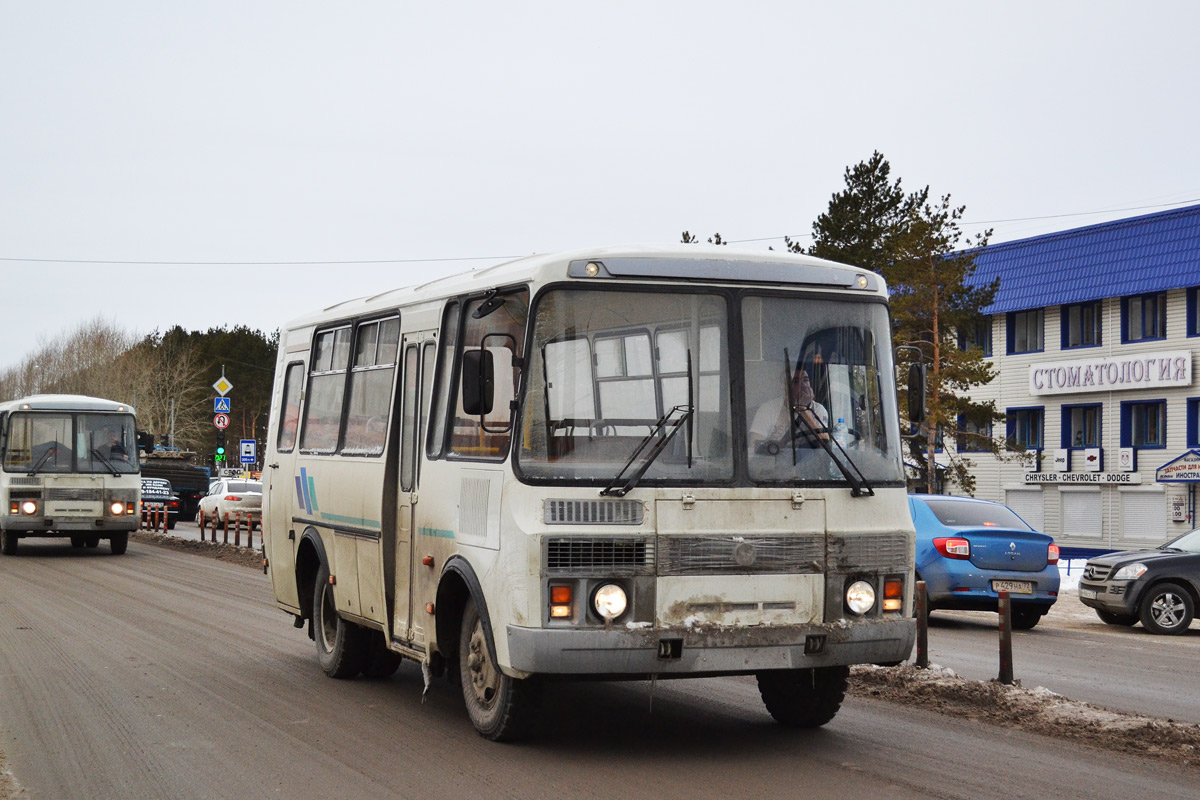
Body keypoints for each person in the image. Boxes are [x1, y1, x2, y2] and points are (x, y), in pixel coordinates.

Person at [749, 366, 829, 454]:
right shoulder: (767, 409)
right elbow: (755, 447)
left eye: (806, 380)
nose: (803, 385)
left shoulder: (817, 409)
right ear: (784, 386)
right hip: (773, 462)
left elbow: (823, 444)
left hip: (805, 463)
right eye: (795, 381)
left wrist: (802, 408)